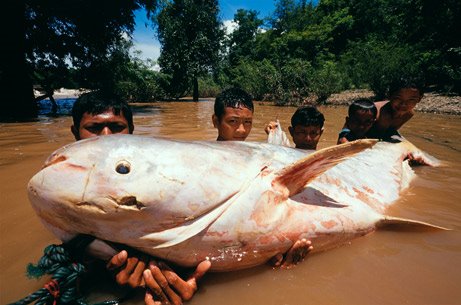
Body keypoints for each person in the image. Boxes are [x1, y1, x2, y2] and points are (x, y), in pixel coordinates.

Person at [71, 91, 210, 305]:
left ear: (132, 132)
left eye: (117, 127)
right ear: (75, 133)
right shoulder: (64, 189)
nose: (107, 136)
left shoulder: (160, 177)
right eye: (94, 128)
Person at [366, 76, 424, 141]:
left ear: (419, 99)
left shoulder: (409, 114)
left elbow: (391, 131)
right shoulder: (374, 112)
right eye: (398, 98)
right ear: (389, 95)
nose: (403, 104)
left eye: (411, 100)